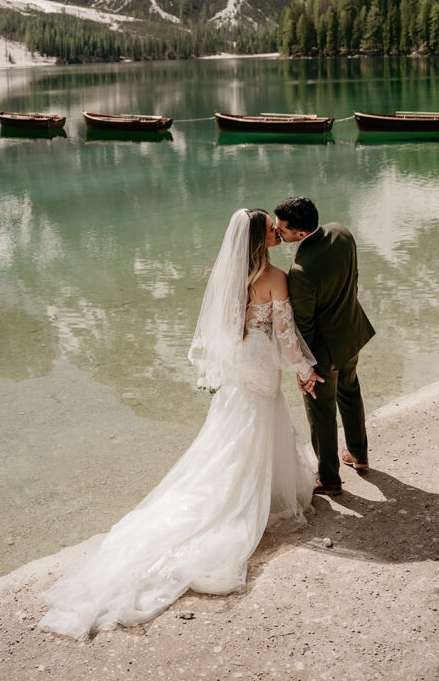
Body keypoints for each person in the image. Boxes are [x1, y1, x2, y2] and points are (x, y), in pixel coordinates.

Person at [40, 208, 321, 639]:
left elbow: (225, 329)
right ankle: (253, 496)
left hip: (240, 363)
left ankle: (251, 487)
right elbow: (285, 334)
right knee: (259, 422)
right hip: (262, 362)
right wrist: (305, 368)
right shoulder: (275, 277)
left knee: (233, 427)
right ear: (258, 239)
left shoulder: (228, 276)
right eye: (271, 230)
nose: (278, 234)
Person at [274, 196, 375, 497]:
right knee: (350, 390)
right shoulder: (342, 232)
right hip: (352, 333)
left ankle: (329, 478)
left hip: (323, 353)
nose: (278, 233)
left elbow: (302, 326)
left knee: (321, 413)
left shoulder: (301, 271)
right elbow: (353, 279)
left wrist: (302, 368)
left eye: (282, 230)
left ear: (301, 235)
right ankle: (359, 455)